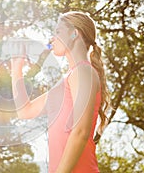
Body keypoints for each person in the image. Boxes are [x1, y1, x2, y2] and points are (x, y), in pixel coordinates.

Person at [10, 11, 110, 173]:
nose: (52, 38)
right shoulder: (67, 81)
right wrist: (16, 68)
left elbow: (80, 131)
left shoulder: (83, 71)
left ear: (74, 34)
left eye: (57, 32)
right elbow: (24, 111)